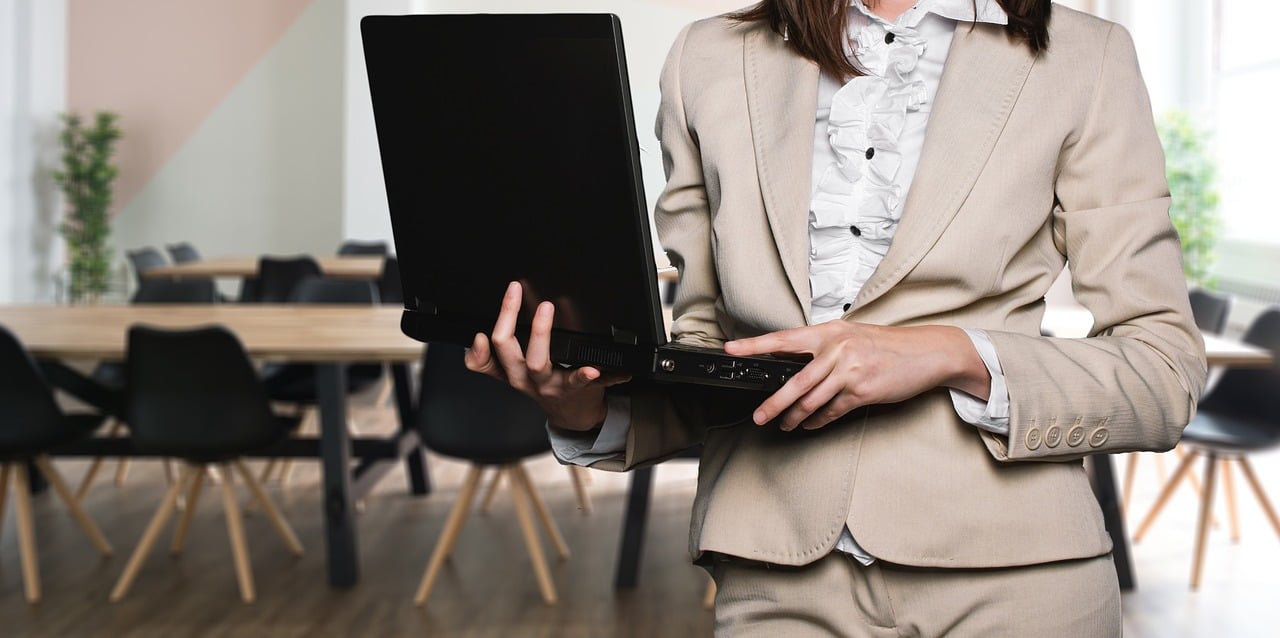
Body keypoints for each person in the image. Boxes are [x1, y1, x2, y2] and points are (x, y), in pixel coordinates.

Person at [465, 0, 1207, 635]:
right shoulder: (709, 59)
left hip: (1019, 572)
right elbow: (710, 354)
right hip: (775, 571)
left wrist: (950, 353)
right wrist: (585, 406)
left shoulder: (1087, 57)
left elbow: (1162, 370)